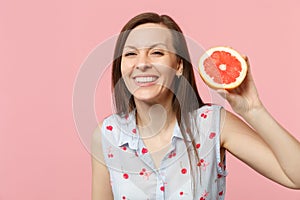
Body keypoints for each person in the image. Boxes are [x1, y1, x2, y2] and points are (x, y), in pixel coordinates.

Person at [91, 12, 300, 200]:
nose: (142, 63)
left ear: (179, 66)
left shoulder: (211, 124)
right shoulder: (108, 135)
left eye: (157, 53)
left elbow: (296, 178)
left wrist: (253, 110)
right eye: (130, 54)